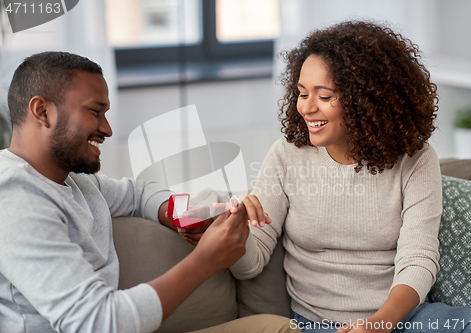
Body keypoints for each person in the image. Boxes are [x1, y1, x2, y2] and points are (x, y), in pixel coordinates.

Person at [225, 21, 471, 333]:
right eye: (302, 93)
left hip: (405, 320)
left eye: (324, 96)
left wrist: (379, 324)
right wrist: (233, 235)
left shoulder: (416, 160)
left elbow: (418, 260)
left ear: (366, 100)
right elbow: (253, 261)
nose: (307, 107)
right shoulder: (287, 154)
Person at [0, 51, 298, 333]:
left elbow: (137, 195)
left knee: (279, 327)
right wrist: (206, 260)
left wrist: (183, 216)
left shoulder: (74, 182)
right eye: (95, 111)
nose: (107, 129)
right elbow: (97, 322)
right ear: (42, 111)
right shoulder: (14, 196)